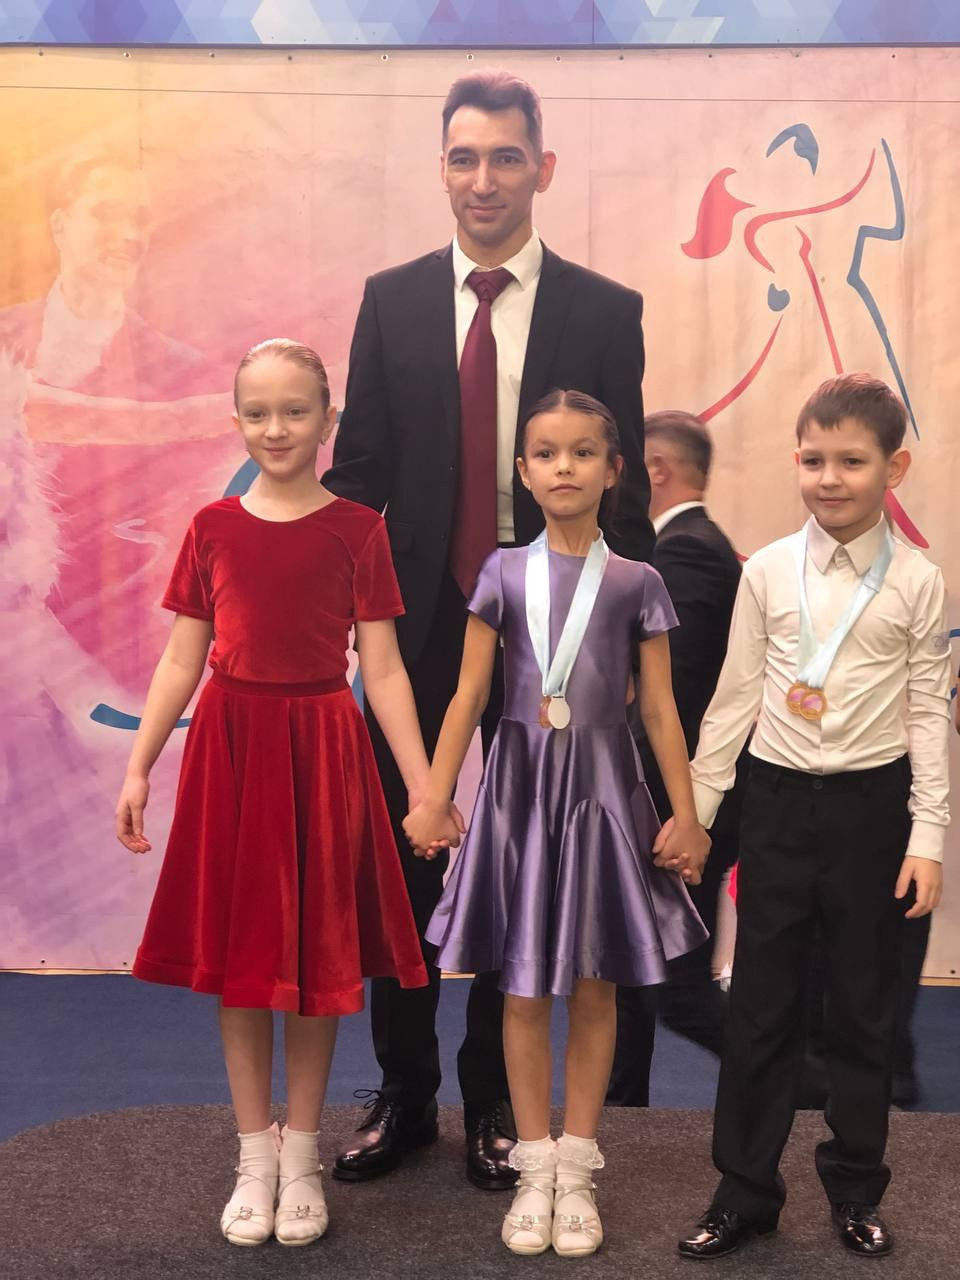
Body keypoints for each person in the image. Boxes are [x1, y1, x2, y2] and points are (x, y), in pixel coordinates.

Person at [323, 68, 653, 1191]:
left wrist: (631, 648)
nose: (484, 179)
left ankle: (494, 1102)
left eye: (506, 157)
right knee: (404, 866)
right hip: (415, 638)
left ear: (542, 169)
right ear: (442, 169)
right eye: (464, 157)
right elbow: (360, 474)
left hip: (549, 645)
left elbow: (626, 498)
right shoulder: (391, 300)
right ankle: (404, 1092)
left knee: (518, 873)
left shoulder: (604, 311)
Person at [114, 339, 432, 1247]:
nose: (276, 428)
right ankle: (254, 1155)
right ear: (236, 421)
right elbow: (184, 656)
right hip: (232, 751)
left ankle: (302, 1160)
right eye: (257, 412)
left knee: (316, 965)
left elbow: (384, 669)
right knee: (246, 962)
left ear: (328, 420)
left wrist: (422, 788)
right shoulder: (212, 526)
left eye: (295, 411)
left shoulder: (358, 530)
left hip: (323, 752)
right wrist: (139, 764)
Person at [403, 390, 709, 1257]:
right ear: (522, 471)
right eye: (546, 453)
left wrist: (687, 815)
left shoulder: (637, 581)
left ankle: (577, 1166)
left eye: (582, 452)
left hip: (604, 794)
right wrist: (435, 794)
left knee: (597, 983)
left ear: (614, 471)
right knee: (523, 986)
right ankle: (533, 1166)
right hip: (521, 793)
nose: (563, 467)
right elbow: (468, 694)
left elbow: (660, 710)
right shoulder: (502, 573)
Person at [676, 373, 950, 1261]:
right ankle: (744, 1192)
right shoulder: (765, 570)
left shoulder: (919, 581)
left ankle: (856, 1189)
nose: (829, 478)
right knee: (761, 1009)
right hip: (777, 804)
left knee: (863, 1015)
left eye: (851, 461)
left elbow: (927, 714)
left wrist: (928, 838)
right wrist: (700, 814)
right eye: (813, 459)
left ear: (893, 469)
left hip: (874, 810)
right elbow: (734, 698)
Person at [607, 412, 744, 1106]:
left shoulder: (686, 551)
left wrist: (648, 797)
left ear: (653, 469)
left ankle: (804, 1081)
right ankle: (619, 1104)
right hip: (673, 795)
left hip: (676, 800)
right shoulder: (690, 545)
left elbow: (675, 698)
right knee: (640, 972)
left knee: (674, 984)